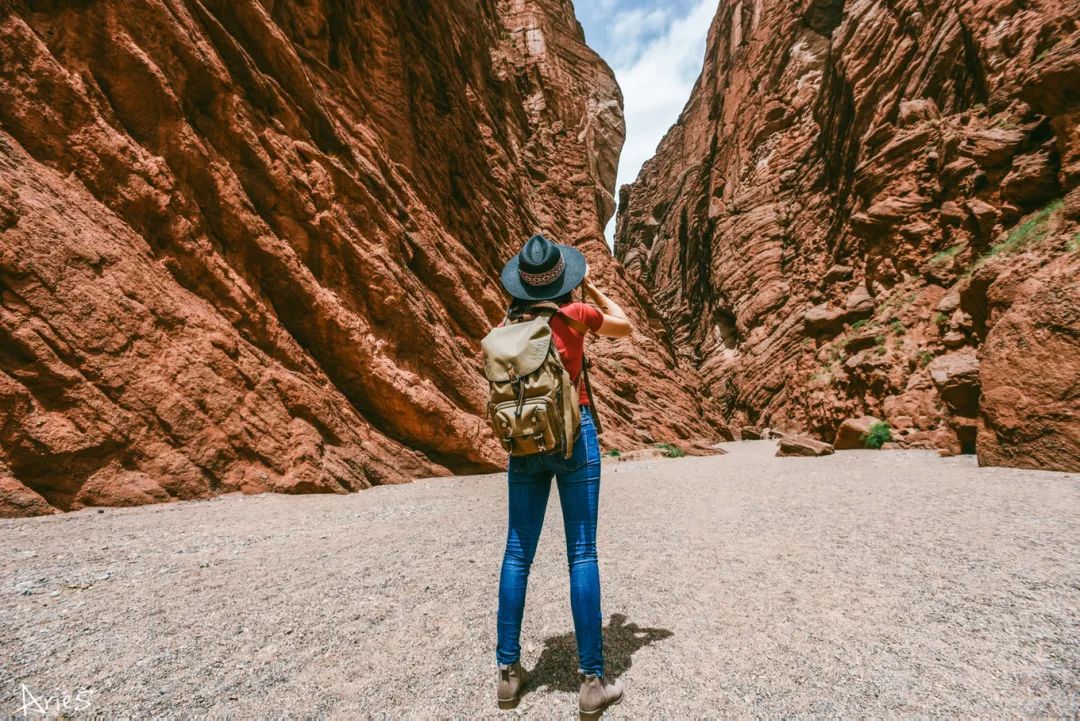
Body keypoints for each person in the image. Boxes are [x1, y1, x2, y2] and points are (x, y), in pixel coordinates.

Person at [493, 234, 631, 719]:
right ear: (562, 278)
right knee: (582, 552)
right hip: (575, 436)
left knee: (517, 553)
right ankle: (592, 683)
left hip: (525, 444)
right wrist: (590, 289)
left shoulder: (508, 324)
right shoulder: (575, 317)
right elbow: (626, 325)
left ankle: (508, 675)